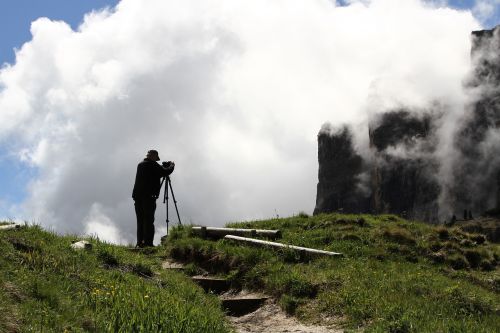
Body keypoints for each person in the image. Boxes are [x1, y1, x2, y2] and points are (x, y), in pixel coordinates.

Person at [132, 150, 175, 247]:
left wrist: (162, 167)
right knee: (149, 220)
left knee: (140, 220)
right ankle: (148, 244)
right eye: (156, 158)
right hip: (148, 198)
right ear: (153, 157)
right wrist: (172, 165)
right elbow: (165, 172)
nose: (156, 160)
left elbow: (157, 172)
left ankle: (140, 243)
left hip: (137, 197)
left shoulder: (141, 165)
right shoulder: (152, 165)